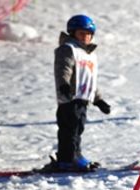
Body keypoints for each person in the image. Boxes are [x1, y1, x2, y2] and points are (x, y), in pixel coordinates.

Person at [52, 14, 111, 172]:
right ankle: (70, 159)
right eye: (81, 33)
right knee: (70, 130)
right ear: (72, 34)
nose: (85, 37)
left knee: (77, 129)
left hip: (82, 99)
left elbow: (89, 79)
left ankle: (71, 157)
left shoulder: (89, 54)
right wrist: (63, 85)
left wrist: (98, 100)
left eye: (88, 34)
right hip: (70, 98)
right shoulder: (68, 49)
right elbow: (63, 69)